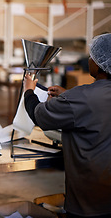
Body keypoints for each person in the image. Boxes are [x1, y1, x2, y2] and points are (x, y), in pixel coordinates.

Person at [23, 33, 111, 218]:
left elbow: (39, 115)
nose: (89, 60)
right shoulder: (82, 97)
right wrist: (68, 95)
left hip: (90, 198)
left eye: (92, 57)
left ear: (100, 64)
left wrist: (29, 90)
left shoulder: (81, 98)